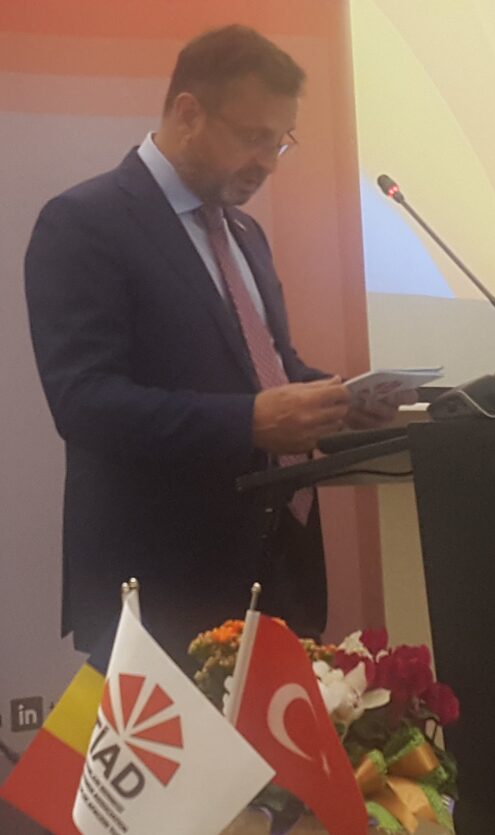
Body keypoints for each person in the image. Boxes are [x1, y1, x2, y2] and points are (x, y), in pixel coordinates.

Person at [24, 25, 402, 655]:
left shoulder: (245, 233)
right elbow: (84, 402)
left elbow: (269, 367)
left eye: (280, 142)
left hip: (277, 574)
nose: (267, 162)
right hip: (163, 589)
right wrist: (249, 421)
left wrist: (337, 400)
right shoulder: (85, 222)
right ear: (188, 113)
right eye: (253, 137)